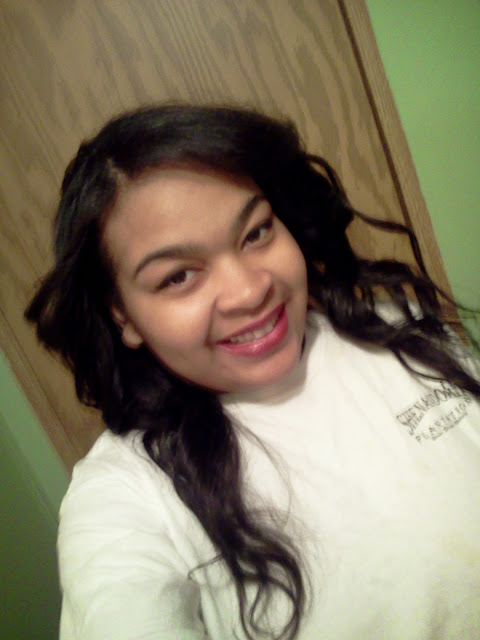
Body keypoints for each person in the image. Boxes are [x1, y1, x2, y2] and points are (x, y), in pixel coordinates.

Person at [26, 104, 480, 640]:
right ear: (122, 314)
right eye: (178, 277)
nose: (249, 291)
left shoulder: (391, 325)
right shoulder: (126, 496)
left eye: (257, 232)